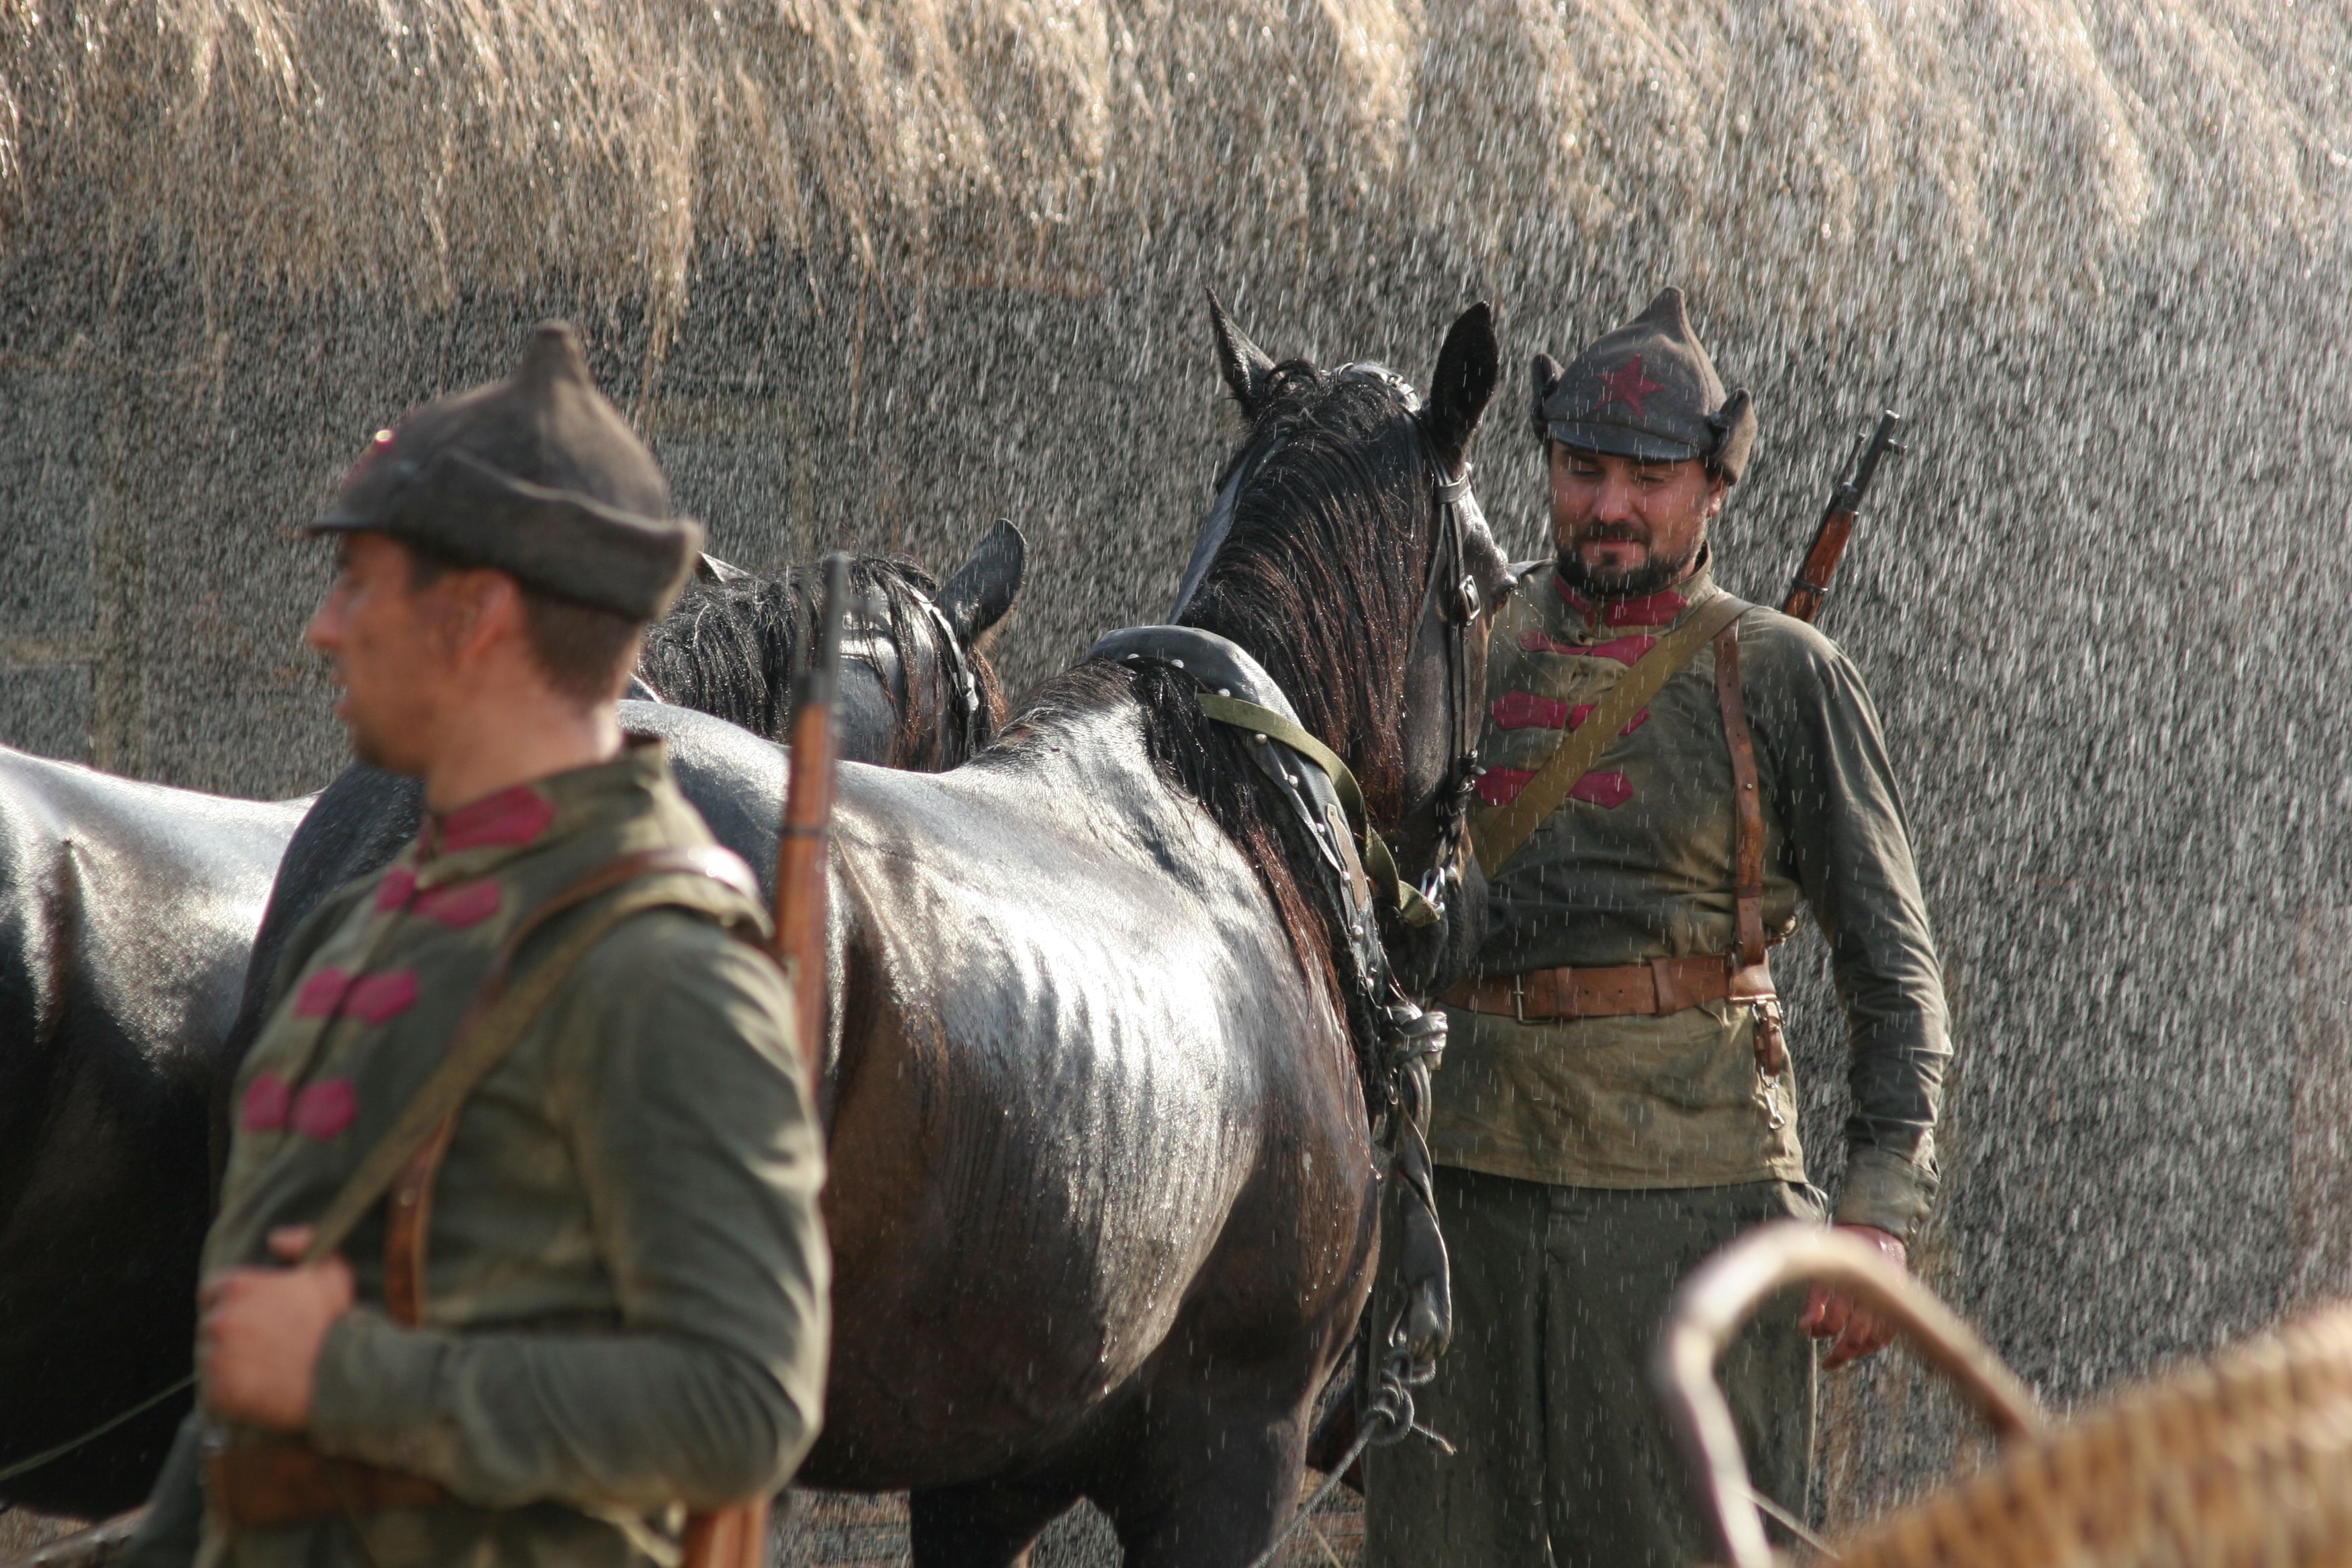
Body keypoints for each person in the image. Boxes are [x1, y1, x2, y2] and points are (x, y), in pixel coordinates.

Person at [124, 323, 829, 1568]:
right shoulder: (363, 918)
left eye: (361, 585)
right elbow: (252, 1392)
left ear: (475, 618)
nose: (321, 633)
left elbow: (743, 1404)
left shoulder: (663, 967)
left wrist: (353, 1376)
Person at [1365, 288, 1949, 1566]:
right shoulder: (1463, 642)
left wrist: (1876, 1213)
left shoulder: (1783, 671)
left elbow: (1894, 973)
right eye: (1582, 470)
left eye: (1648, 477)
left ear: (1713, 490)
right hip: (1459, 1198)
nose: (1609, 506)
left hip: (1688, 1204)